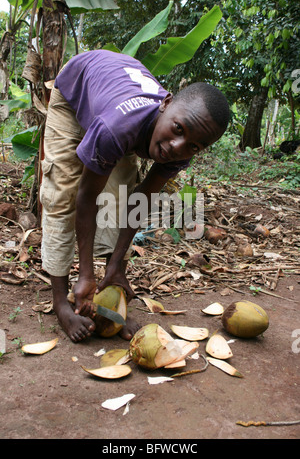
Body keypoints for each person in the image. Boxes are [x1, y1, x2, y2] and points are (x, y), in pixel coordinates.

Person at [40, 49, 230, 343]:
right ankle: (61, 302)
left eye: (193, 146)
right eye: (178, 129)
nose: (176, 147)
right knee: (62, 192)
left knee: (118, 199)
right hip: (76, 87)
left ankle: (110, 292)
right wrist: (85, 272)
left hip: (120, 107)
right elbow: (86, 197)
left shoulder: (181, 149)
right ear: (166, 104)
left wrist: (116, 263)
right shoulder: (117, 128)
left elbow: (139, 201)